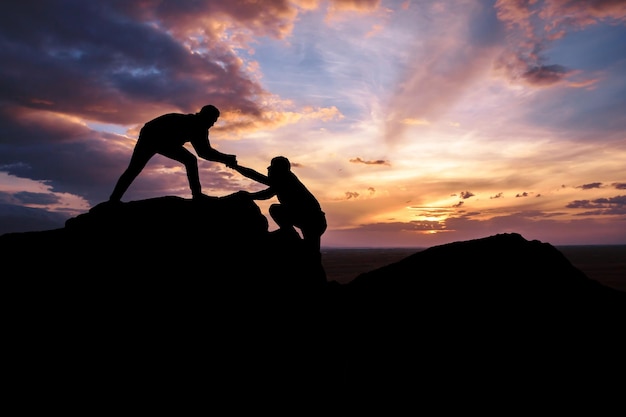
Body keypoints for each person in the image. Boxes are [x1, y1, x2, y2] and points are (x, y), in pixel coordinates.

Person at [109, 104, 236, 202]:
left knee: (189, 160)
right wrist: (226, 158)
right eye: (213, 120)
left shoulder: (200, 128)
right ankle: (197, 195)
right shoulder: (196, 125)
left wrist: (226, 158)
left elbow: (204, 152)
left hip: (160, 137)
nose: (213, 124)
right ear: (205, 116)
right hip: (151, 134)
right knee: (135, 169)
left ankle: (113, 200)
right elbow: (205, 153)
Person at [232, 156, 327, 256]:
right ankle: (292, 236)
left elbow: (267, 193)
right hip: (312, 220)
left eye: (272, 168)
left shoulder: (285, 180)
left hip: (312, 221)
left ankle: (290, 235)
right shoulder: (283, 178)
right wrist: (237, 167)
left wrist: (250, 196)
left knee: (275, 209)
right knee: (310, 251)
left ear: (279, 170)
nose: (269, 170)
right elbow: (257, 177)